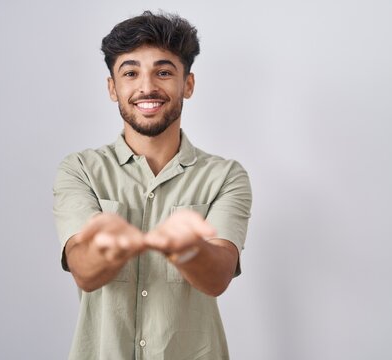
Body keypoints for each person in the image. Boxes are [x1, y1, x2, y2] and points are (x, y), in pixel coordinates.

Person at [53, 11, 252, 360]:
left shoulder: (226, 175)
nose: (147, 87)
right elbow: (83, 270)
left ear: (187, 84)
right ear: (113, 87)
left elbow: (218, 276)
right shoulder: (80, 169)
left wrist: (188, 248)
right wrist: (109, 243)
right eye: (130, 73)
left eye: (163, 72)